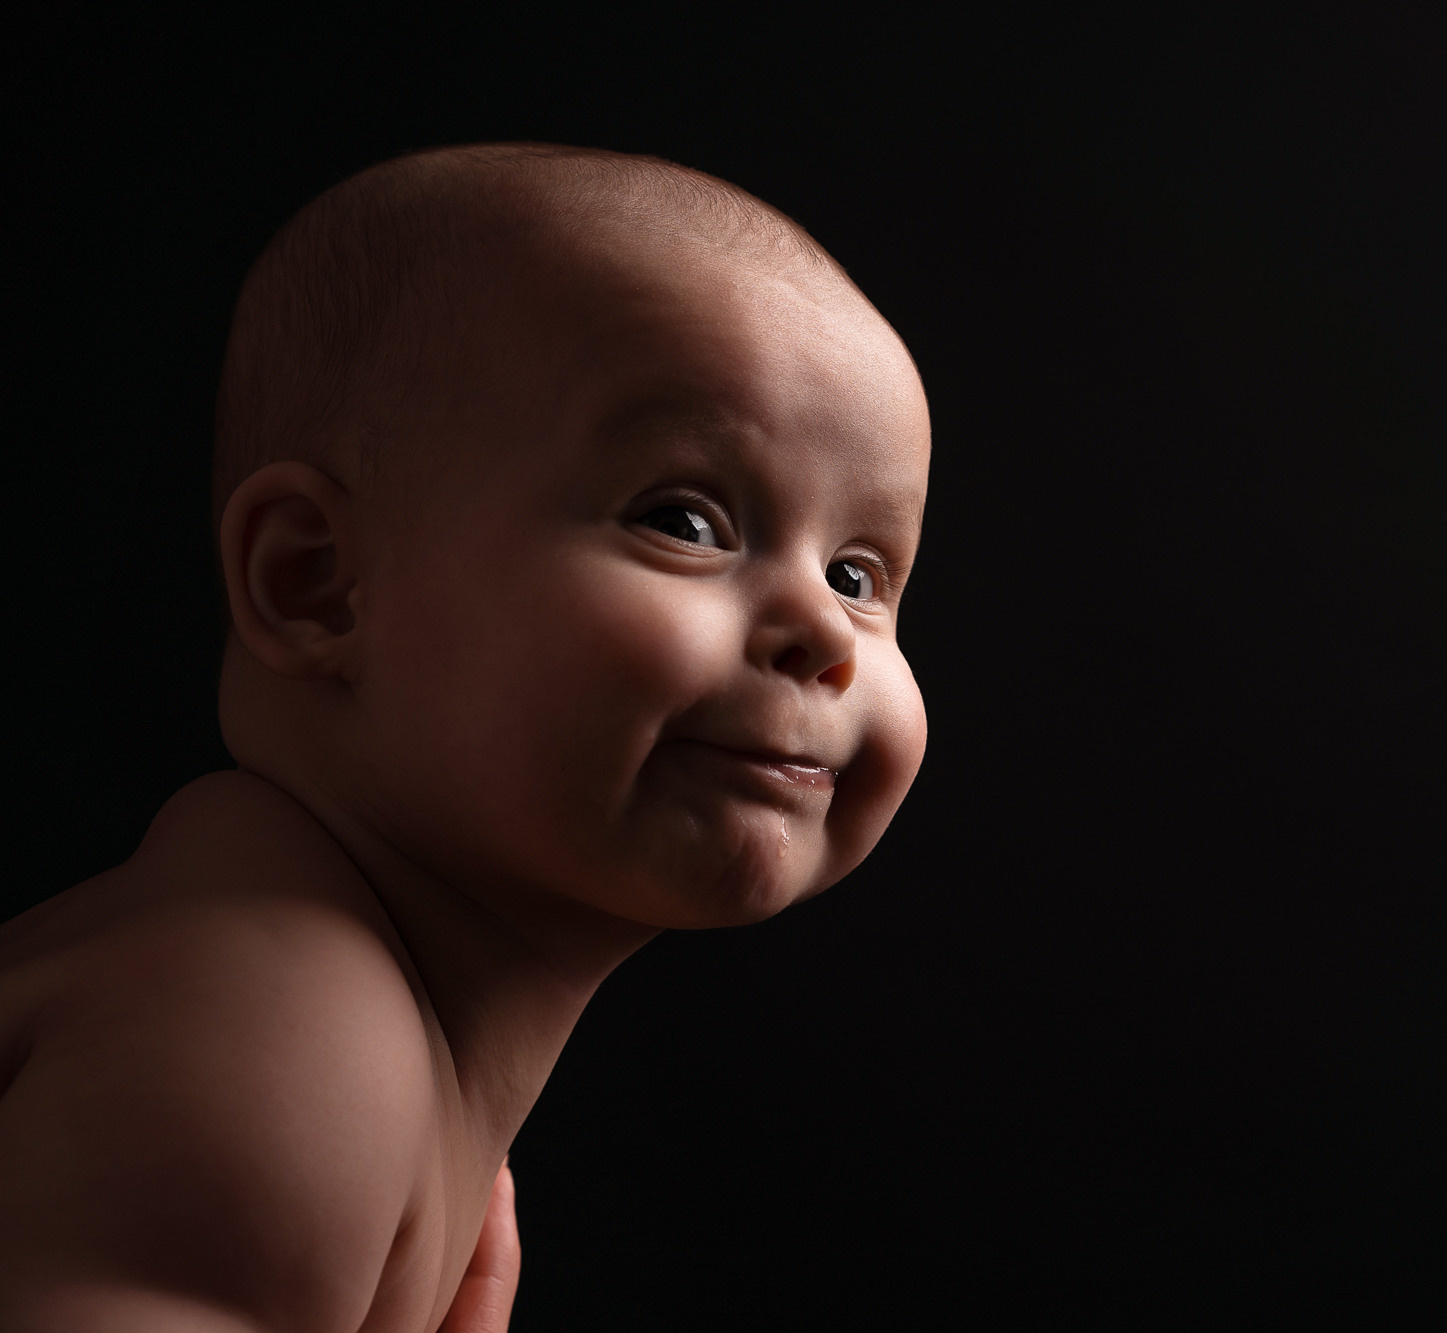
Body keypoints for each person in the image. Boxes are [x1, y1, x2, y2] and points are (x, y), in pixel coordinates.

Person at [0, 142, 931, 1332]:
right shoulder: (286, 1021)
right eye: (685, 521)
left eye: (858, 572)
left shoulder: (340, 1012)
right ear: (316, 582)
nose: (823, 631)